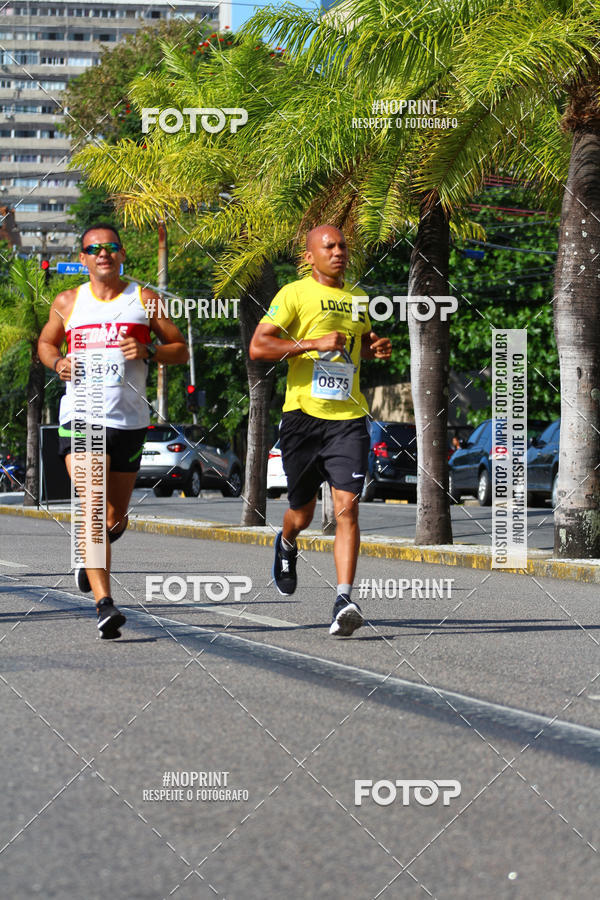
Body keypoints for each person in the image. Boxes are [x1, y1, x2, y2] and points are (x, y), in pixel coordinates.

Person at [38, 223, 188, 638]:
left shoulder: (144, 300)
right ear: (83, 258)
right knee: (93, 504)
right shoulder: (68, 302)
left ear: (121, 255)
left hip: (130, 422)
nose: (103, 253)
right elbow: (46, 344)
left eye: (111, 247)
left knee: (116, 517)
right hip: (82, 416)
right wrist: (58, 363)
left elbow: (180, 349)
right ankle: (104, 603)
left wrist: (150, 350)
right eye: (94, 248)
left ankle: (91, 556)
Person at [249, 225, 391, 636]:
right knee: (303, 513)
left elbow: (360, 338)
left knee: (347, 507)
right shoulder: (293, 294)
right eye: (328, 246)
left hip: (348, 419)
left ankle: (344, 597)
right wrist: (311, 343)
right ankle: (287, 541)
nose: (338, 252)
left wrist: (377, 345)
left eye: (343, 245)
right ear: (309, 255)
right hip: (301, 420)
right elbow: (259, 347)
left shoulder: (359, 299)